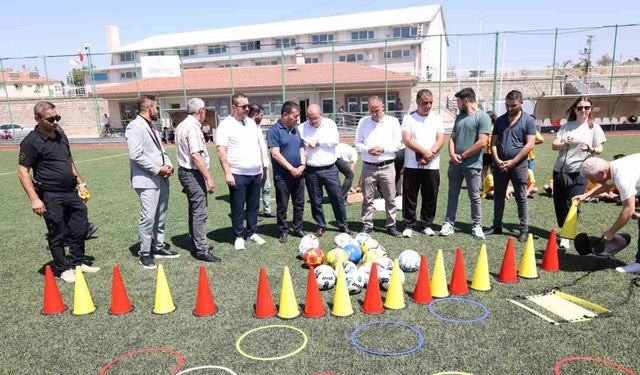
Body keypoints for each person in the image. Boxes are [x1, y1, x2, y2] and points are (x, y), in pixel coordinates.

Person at [18, 101, 99, 283]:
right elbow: (23, 171)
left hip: (71, 191)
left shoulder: (60, 134)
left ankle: (77, 263)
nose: (55, 121)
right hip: (49, 194)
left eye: (57, 117)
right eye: (50, 119)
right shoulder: (31, 141)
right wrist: (34, 199)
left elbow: (69, 163)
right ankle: (63, 268)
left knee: (80, 228)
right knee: (58, 232)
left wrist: (81, 183)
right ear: (37, 119)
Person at [126, 95, 179, 270]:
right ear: (149, 107)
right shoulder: (135, 126)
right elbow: (136, 155)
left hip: (161, 177)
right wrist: (158, 169)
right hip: (147, 180)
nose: (158, 110)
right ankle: (145, 253)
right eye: (156, 107)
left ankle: (158, 247)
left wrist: (168, 166)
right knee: (148, 217)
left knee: (161, 215)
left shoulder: (151, 126)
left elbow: (160, 150)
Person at [551, 96, 605, 249]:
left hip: (582, 171)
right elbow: (554, 145)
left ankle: (567, 236)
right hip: (561, 169)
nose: (584, 110)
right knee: (560, 203)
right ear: (574, 109)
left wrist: (591, 149)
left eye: (587, 107)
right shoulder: (567, 126)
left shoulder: (594, 128)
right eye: (580, 108)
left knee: (574, 201)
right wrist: (563, 143)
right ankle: (564, 228)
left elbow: (600, 149)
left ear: (591, 109)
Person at [484, 90, 536, 242]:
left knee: (521, 197)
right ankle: (496, 226)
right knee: (498, 196)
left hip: (519, 165)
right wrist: (497, 159)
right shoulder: (500, 120)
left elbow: (530, 144)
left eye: (513, 105)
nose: (509, 108)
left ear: (521, 103)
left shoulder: (528, 120)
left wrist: (514, 161)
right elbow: (493, 142)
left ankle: (524, 229)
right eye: (507, 105)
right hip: (500, 165)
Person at [217, 94, 267, 250]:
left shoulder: (251, 123)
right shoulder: (225, 125)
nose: (247, 109)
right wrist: (228, 173)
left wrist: (260, 166)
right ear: (233, 107)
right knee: (238, 207)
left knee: (253, 206)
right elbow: (221, 150)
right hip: (237, 173)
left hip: (255, 173)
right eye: (243, 106)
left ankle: (251, 232)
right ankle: (239, 236)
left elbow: (257, 145)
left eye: (247, 106)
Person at [440, 87, 490, 239]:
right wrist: (452, 154)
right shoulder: (459, 117)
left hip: (472, 165)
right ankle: (449, 223)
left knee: (474, 196)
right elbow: (452, 138)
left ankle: (476, 225)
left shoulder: (483, 117)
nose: (457, 104)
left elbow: (482, 142)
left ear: (466, 100)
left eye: (458, 101)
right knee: (452, 195)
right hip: (455, 164)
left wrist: (462, 155)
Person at [575, 155, 640, 273]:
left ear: (601, 173)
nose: (592, 182)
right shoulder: (613, 168)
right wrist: (586, 195)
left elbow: (628, 210)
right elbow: (606, 185)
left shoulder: (622, 175)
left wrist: (611, 232)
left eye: (592, 178)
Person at [175, 98, 220, 262]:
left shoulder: (182, 125)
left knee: (194, 210)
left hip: (186, 172)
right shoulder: (192, 127)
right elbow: (195, 155)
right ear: (200, 111)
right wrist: (209, 178)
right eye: (205, 110)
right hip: (192, 173)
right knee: (199, 212)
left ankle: (197, 243)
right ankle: (201, 249)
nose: (205, 113)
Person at [299, 104, 351, 237]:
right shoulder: (302, 127)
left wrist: (318, 142)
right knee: (316, 200)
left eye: (315, 118)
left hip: (330, 168)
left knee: (337, 198)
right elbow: (301, 146)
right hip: (311, 170)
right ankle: (320, 225)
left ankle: (343, 225)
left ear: (320, 114)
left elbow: (334, 141)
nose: (313, 121)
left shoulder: (330, 124)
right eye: (310, 118)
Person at [355, 96, 403, 237]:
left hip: (387, 166)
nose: (375, 113)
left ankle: (391, 225)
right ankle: (367, 224)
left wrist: (383, 149)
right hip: (369, 166)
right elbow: (357, 143)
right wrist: (367, 149)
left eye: (377, 110)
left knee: (390, 197)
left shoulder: (392, 122)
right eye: (372, 111)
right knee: (367, 198)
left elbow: (398, 144)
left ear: (382, 106)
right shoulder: (363, 122)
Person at [401, 89, 445, 238]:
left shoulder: (437, 119)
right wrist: (423, 152)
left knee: (430, 195)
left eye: (431, 102)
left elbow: (440, 139)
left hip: (432, 165)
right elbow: (407, 139)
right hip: (412, 165)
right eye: (425, 102)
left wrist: (429, 154)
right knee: (410, 195)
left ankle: (426, 224)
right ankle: (408, 224)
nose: (428, 105)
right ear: (418, 102)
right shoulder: (408, 118)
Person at [267, 101, 306, 243]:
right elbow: (275, 154)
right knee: (282, 205)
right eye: (295, 116)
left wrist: (302, 166)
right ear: (285, 115)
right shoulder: (274, 130)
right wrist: (291, 169)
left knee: (299, 202)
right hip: (282, 176)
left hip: (299, 174)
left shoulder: (296, 130)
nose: (297, 119)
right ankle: (283, 230)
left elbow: (302, 149)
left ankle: (298, 228)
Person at [248, 104, 275, 221]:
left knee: (267, 187)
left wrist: (267, 160)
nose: (262, 117)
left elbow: (262, 146)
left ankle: (267, 210)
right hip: (255, 165)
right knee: (255, 191)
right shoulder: (248, 127)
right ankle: (254, 214)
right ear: (256, 114)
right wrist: (259, 163)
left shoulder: (257, 126)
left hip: (264, 164)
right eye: (261, 115)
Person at [481, 111, 497, 186]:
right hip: (485, 153)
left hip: (493, 153)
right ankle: (484, 184)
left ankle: (494, 184)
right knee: (484, 169)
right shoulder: (484, 127)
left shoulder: (495, 127)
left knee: (494, 170)